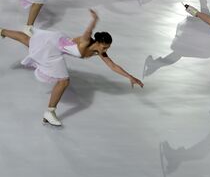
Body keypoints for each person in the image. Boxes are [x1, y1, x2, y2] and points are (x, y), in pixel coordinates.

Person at [0, 10, 144, 127]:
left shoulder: (99, 51)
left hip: (57, 45)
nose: (107, 49)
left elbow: (112, 65)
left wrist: (130, 77)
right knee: (63, 81)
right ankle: (50, 112)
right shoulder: (86, 41)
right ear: (99, 43)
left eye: (108, 47)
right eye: (105, 46)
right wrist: (94, 20)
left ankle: (2, 31)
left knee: (29, 41)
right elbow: (88, 31)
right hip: (53, 46)